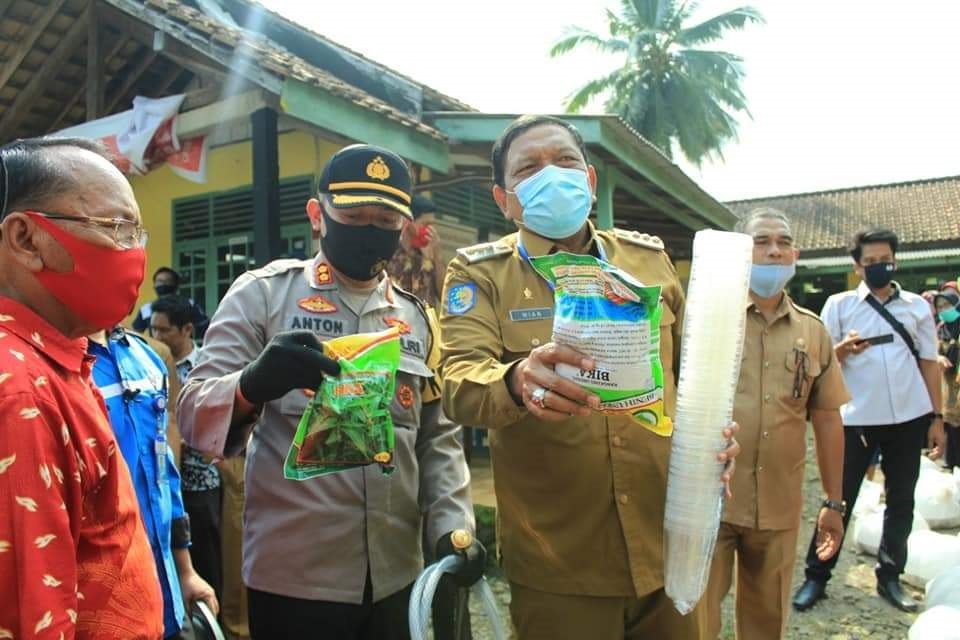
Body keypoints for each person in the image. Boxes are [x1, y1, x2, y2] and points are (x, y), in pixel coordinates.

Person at [438, 115, 740, 639]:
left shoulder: (648, 261)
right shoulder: (478, 274)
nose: (551, 174)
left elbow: (689, 377)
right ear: (504, 199)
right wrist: (516, 381)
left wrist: (713, 435)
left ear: (591, 181)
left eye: (565, 160)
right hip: (560, 556)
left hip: (667, 537)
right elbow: (457, 383)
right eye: (528, 168)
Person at [177, 144, 482, 639]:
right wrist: (250, 385)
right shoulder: (263, 296)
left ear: (403, 227)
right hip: (295, 579)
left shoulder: (417, 319)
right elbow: (191, 415)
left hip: (396, 573)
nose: (368, 227)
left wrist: (451, 527)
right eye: (352, 213)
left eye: (384, 217)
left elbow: (437, 438)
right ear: (318, 215)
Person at [0, 137, 163, 637]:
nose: (135, 253)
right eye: (116, 228)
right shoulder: (21, 392)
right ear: (26, 238)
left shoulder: (58, 360)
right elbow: (35, 612)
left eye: (138, 231)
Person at [703, 208, 849, 639]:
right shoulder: (707, 320)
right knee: (695, 619)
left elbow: (826, 417)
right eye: (761, 241)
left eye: (783, 242)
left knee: (768, 623)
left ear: (795, 254)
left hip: (778, 504)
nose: (773, 250)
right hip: (709, 499)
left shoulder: (813, 331)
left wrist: (834, 502)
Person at [793, 227, 946, 613]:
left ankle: (890, 577)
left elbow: (928, 362)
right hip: (855, 419)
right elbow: (821, 364)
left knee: (901, 501)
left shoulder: (915, 306)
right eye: (871, 262)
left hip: (909, 417)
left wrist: (936, 417)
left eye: (886, 260)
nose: (879, 267)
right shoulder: (839, 306)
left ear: (895, 260)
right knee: (837, 499)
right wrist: (841, 350)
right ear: (857, 266)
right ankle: (817, 576)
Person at [88, 325, 218, 638]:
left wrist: (185, 571)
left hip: (164, 586)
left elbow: (164, 477)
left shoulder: (145, 358)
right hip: (101, 600)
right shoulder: (52, 365)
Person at [151, 295, 225, 602]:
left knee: (208, 560)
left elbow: (223, 415)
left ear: (187, 330)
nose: (157, 337)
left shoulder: (210, 366)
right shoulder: (152, 362)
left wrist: (189, 434)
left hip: (201, 480)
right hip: (167, 482)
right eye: (153, 330)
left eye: (164, 330)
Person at [387, 194, 445, 308]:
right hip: (395, 322)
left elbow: (445, 296)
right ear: (409, 222)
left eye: (432, 225)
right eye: (426, 224)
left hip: (424, 322)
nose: (430, 230)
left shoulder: (431, 252)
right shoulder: (389, 251)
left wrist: (437, 256)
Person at [133, 266, 209, 339]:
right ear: (154, 285)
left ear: (175, 284)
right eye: (159, 281)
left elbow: (205, 327)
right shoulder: (146, 309)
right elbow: (135, 335)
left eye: (167, 281)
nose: (163, 284)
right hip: (158, 350)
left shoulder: (189, 304)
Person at [934, 289, 960, 469]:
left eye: (948, 305)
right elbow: (932, 353)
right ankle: (953, 465)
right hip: (949, 387)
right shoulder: (940, 329)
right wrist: (939, 358)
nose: (944, 309)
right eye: (940, 306)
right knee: (952, 427)